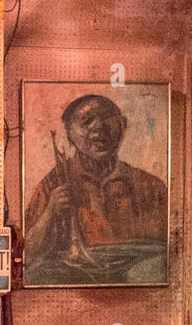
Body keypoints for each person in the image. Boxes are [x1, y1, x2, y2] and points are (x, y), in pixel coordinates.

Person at [25, 93, 168, 282]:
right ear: (69, 134)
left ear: (123, 125)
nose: (98, 127)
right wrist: (51, 210)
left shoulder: (151, 185)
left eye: (107, 118)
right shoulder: (53, 183)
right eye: (86, 121)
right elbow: (28, 251)